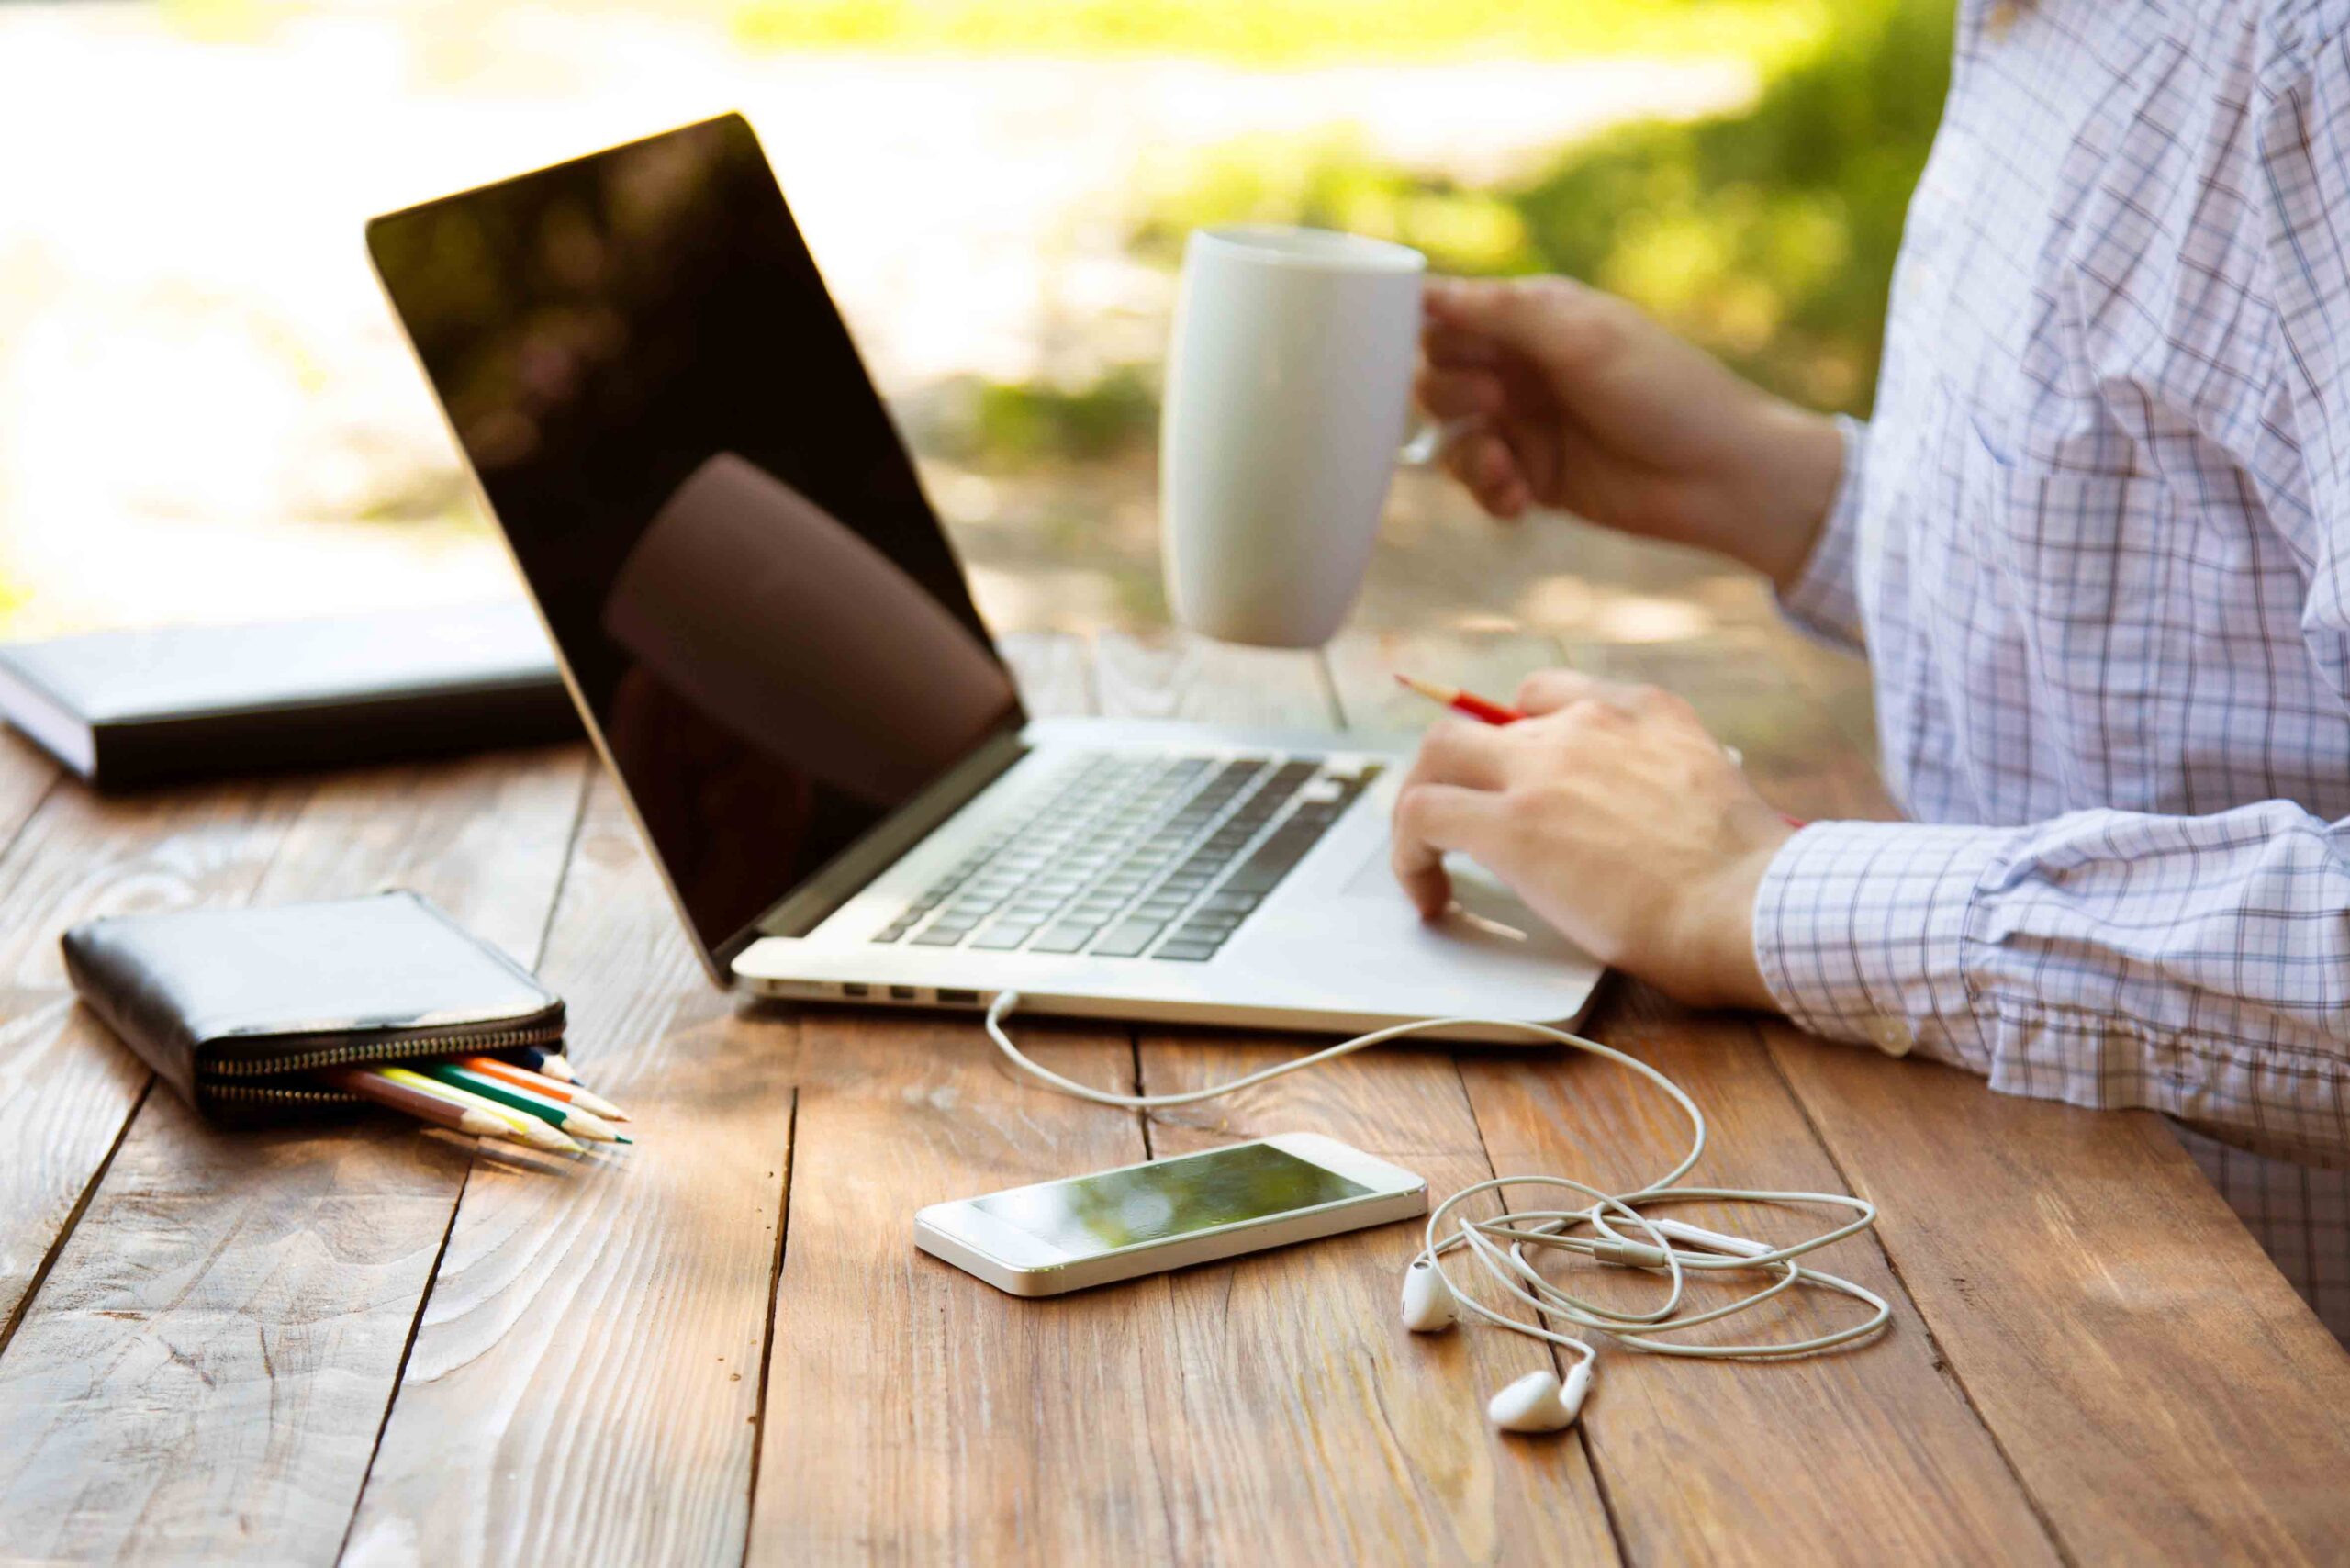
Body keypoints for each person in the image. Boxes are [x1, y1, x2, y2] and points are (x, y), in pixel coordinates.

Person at [1392, 0, 2350, 1342]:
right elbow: (2179, 597)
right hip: (2015, 1252)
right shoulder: (2040, 30)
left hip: (2269, 1405)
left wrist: (1753, 893)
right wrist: (1769, 484)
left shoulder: (2308, 57)